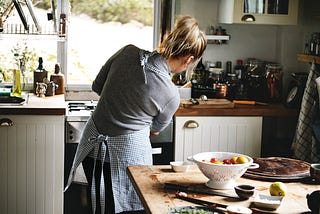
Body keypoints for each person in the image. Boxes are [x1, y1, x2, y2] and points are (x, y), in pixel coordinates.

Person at [64, 15, 207, 214]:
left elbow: (97, 86)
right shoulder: (171, 94)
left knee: (97, 206)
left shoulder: (127, 52)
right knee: (127, 210)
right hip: (127, 160)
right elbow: (154, 131)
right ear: (189, 59)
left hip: (92, 149)